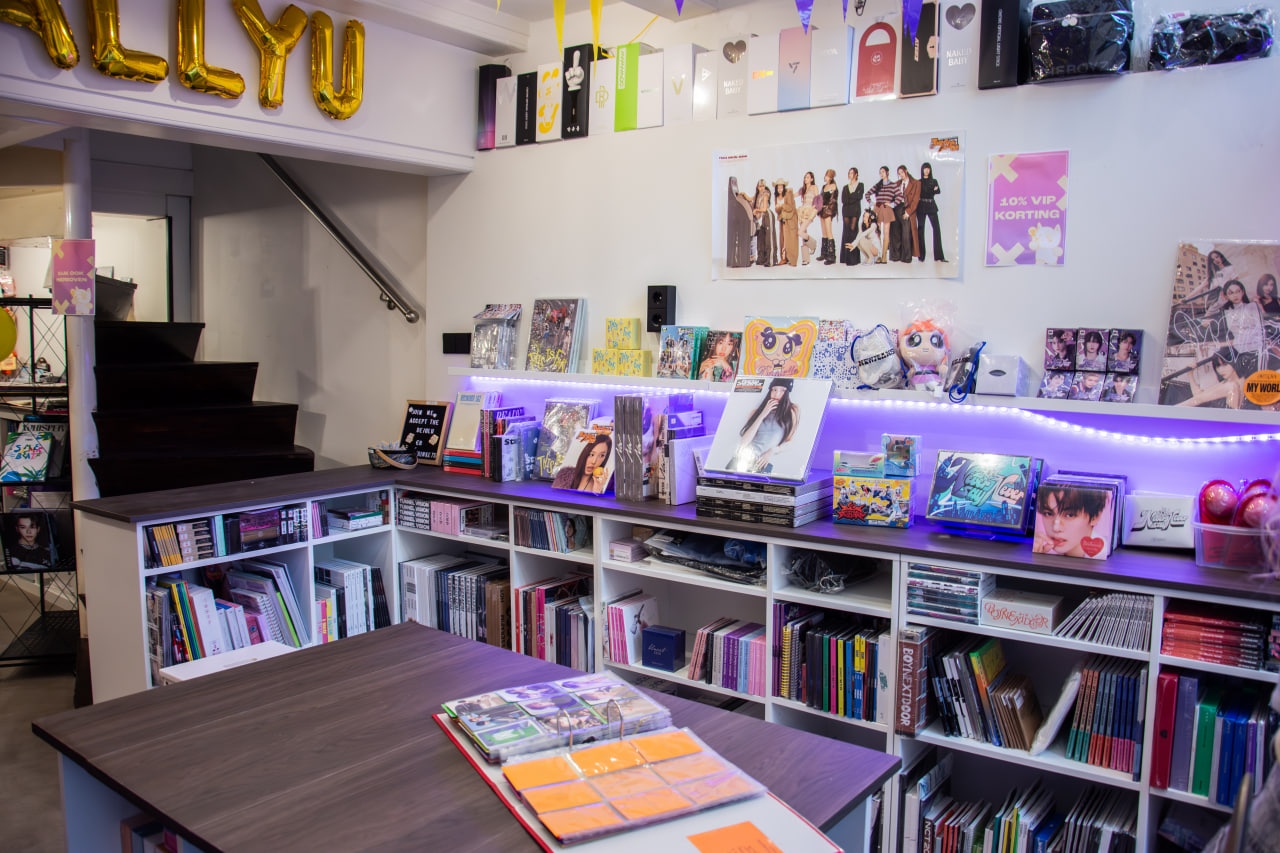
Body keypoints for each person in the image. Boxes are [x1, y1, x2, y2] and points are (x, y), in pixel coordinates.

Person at [726, 378, 800, 475]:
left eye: (782, 390)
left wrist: (772, 451)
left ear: (787, 393)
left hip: (761, 464)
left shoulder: (791, 412)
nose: (777, 394)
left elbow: (789, 442)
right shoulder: (756, 412)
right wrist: (762, 414)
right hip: (741, 460)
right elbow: (743, 443)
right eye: (774, 390)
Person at [1033, 487, 1109, 557]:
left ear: (1095, 517)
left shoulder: (1103, 556)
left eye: (1070, 515)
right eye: (1048, 513)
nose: (1056, 528)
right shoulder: (1042, 549)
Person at [1178, 351, 1248, 409]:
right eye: (1218, 366)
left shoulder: (1231, 386)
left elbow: (1198, 399)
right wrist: (1190, 374)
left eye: (1225, 365)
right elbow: (1198, 396)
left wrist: (1174, 410)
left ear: (1234, 363)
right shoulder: (1230, 382)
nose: (1221, 370)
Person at [867, 167, 899, 265]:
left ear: (887, 173)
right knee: (877, 233)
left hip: (887, 209)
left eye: (883, 172)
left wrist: (892, 204)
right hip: (877, 209)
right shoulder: (878, 185)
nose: (881, 174)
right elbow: (867, 194)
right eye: (880, 172)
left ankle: (884, 255)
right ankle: (879, 255)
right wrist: (872, 203)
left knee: (886, 233)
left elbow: (900, 196)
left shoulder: (893, 185)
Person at [915, 162, 945, 262]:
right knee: (920, 230)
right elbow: (920, 194)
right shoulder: (919, 182)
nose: (927, 170)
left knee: (936, 229)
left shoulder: (934, 180)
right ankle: (921, 256)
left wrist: (932, 191)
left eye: (928, 168)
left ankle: (939, 256)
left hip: (931, 205)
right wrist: (932, 190)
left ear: (930, 170)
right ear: (922, 170)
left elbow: (938, 191)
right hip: (921, 206)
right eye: (925, 168)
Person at [725, 176, 755, 268]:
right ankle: (739, 261)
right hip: (746, 222)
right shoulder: (738, 200)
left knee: (747, 242)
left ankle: (742, 260)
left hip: (747, 222)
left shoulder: (740, 200)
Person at [839, 167, 864, 266]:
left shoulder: (860, 185)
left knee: (853, 231)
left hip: (855, 211)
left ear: (856, 174)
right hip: (846, 211)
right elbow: (843, 200)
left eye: (852, 173)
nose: (850, 175)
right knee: (847, 232)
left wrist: (850, 197)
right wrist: (853, 196)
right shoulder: (845, 187)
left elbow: (859, 196)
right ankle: (845, 258)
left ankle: (853, 259)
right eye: (849, 173)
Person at [896, 165, 920, 263]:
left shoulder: (916, 183)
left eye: (902, 172)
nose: (901, 175)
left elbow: (915, 201)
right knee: (897, 233)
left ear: (906, 171)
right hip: (897, 208)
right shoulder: (897, 183)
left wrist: (908, 212)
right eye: (899, 173)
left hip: (908, 209)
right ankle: (898, 256)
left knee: (906, 233)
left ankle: (907, 257)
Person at [796, 171, 820, 265]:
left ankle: (813, 244)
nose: (806, 179)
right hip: (802, 211)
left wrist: (814, 208)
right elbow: (794, 195)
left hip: (810, 211)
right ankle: (806, 259)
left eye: (808, 177)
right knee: (803, 235)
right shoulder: (803, 189)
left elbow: (818, 199)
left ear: (811, 179)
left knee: (800, 232)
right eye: (805, 177)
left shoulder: (814, 187)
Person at [752, 179, 776, 267]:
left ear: (765, 187)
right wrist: (743, 194)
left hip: (767, 215)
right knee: (761, 237)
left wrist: (756, 210)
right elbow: (750, 198)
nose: (761, 188)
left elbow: (765, 208)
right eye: (760, 186)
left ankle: (771, 260)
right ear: (757, 187)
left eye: (763, 186)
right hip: (761, 218)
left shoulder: (765, 194)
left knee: (769, 239)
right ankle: (761, 258)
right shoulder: (758, 196)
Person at [775, 179, 798, 267]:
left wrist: (781, 206)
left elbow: (790, 207)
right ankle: (784, 258)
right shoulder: (776, 197)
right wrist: (778, 208)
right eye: (778, 188)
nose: (780, 189)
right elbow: (777, 211)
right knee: (783, 239)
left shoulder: (788, 194)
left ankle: (792, 259)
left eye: (781, 187)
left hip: (790, 219)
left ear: (784, 187)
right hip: (782, 219)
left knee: (791, 239)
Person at [819, 168, 839, 265]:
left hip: (828, 211)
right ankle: (824, 253)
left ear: (831, 177)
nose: (826, 177)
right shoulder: (824, 186)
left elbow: (833, 200)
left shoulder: (833, 186)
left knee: (829, 231)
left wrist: (828, 208)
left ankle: (832, 256)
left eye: (828, 176)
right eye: (826, 175)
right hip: (822, 210)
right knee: (824, 232)